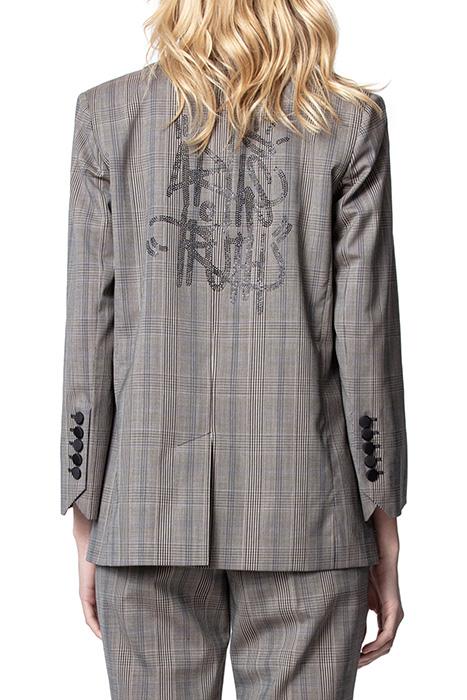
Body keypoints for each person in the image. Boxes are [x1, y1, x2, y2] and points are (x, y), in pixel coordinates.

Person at [60, 0, 408, 697]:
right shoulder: (347, 121)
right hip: (307, 514)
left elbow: (90, 327)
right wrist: (382, 516)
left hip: (145, 509)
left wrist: (86, 506)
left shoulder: (107, 115)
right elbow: (364, 334)